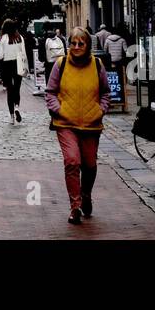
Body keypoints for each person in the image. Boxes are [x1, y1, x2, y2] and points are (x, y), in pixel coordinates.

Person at [45, 27, 110, 225]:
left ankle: (86, 195)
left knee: (89, 165)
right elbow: (50, 92)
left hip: (91, 124)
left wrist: (100, 110)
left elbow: (106, 92)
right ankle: (75, 206)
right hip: (66, 123)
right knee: (72, 161)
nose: (76, 47)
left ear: (88, 45)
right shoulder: (61, 64)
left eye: (81, 43)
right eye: (73, 43)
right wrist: (59, 110)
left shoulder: (97, 65)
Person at [0, 18, 28, 124]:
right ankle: (17, 107)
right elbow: (23, 53)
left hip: (7, 64)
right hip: (18, 63)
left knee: (9, 90)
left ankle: (11, 116)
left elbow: (0, 55)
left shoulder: (2, 39)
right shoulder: (19, 37)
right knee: (17, 88)